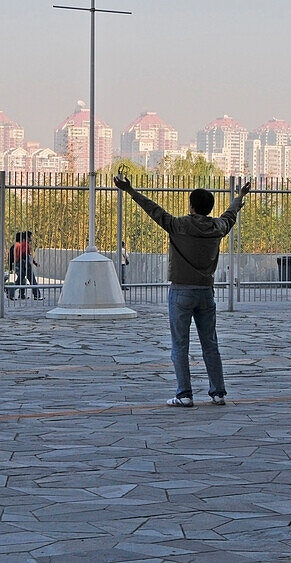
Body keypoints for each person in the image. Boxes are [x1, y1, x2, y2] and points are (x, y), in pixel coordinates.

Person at [113, 174, 251, 408]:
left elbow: (153, 210)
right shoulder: (217, 227)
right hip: (206, 292)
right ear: (209, 208)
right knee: (210, 344)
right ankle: (218, 392)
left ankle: (184, 394)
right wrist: (239, 198)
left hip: (181, 292)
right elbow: (230, 215)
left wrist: (130, 191)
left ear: (192, 206)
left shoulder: (178, 226)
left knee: (180, 344)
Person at [8, 230, 43, 300]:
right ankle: (37, 295)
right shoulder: (25, 244)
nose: (32, 238)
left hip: (23, 264)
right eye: (31, 236)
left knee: (21, 281)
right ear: (27, 237)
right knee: (30, 280)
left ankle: (13, 293)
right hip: (25, 264)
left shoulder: (21, 244)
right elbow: (25, 255)